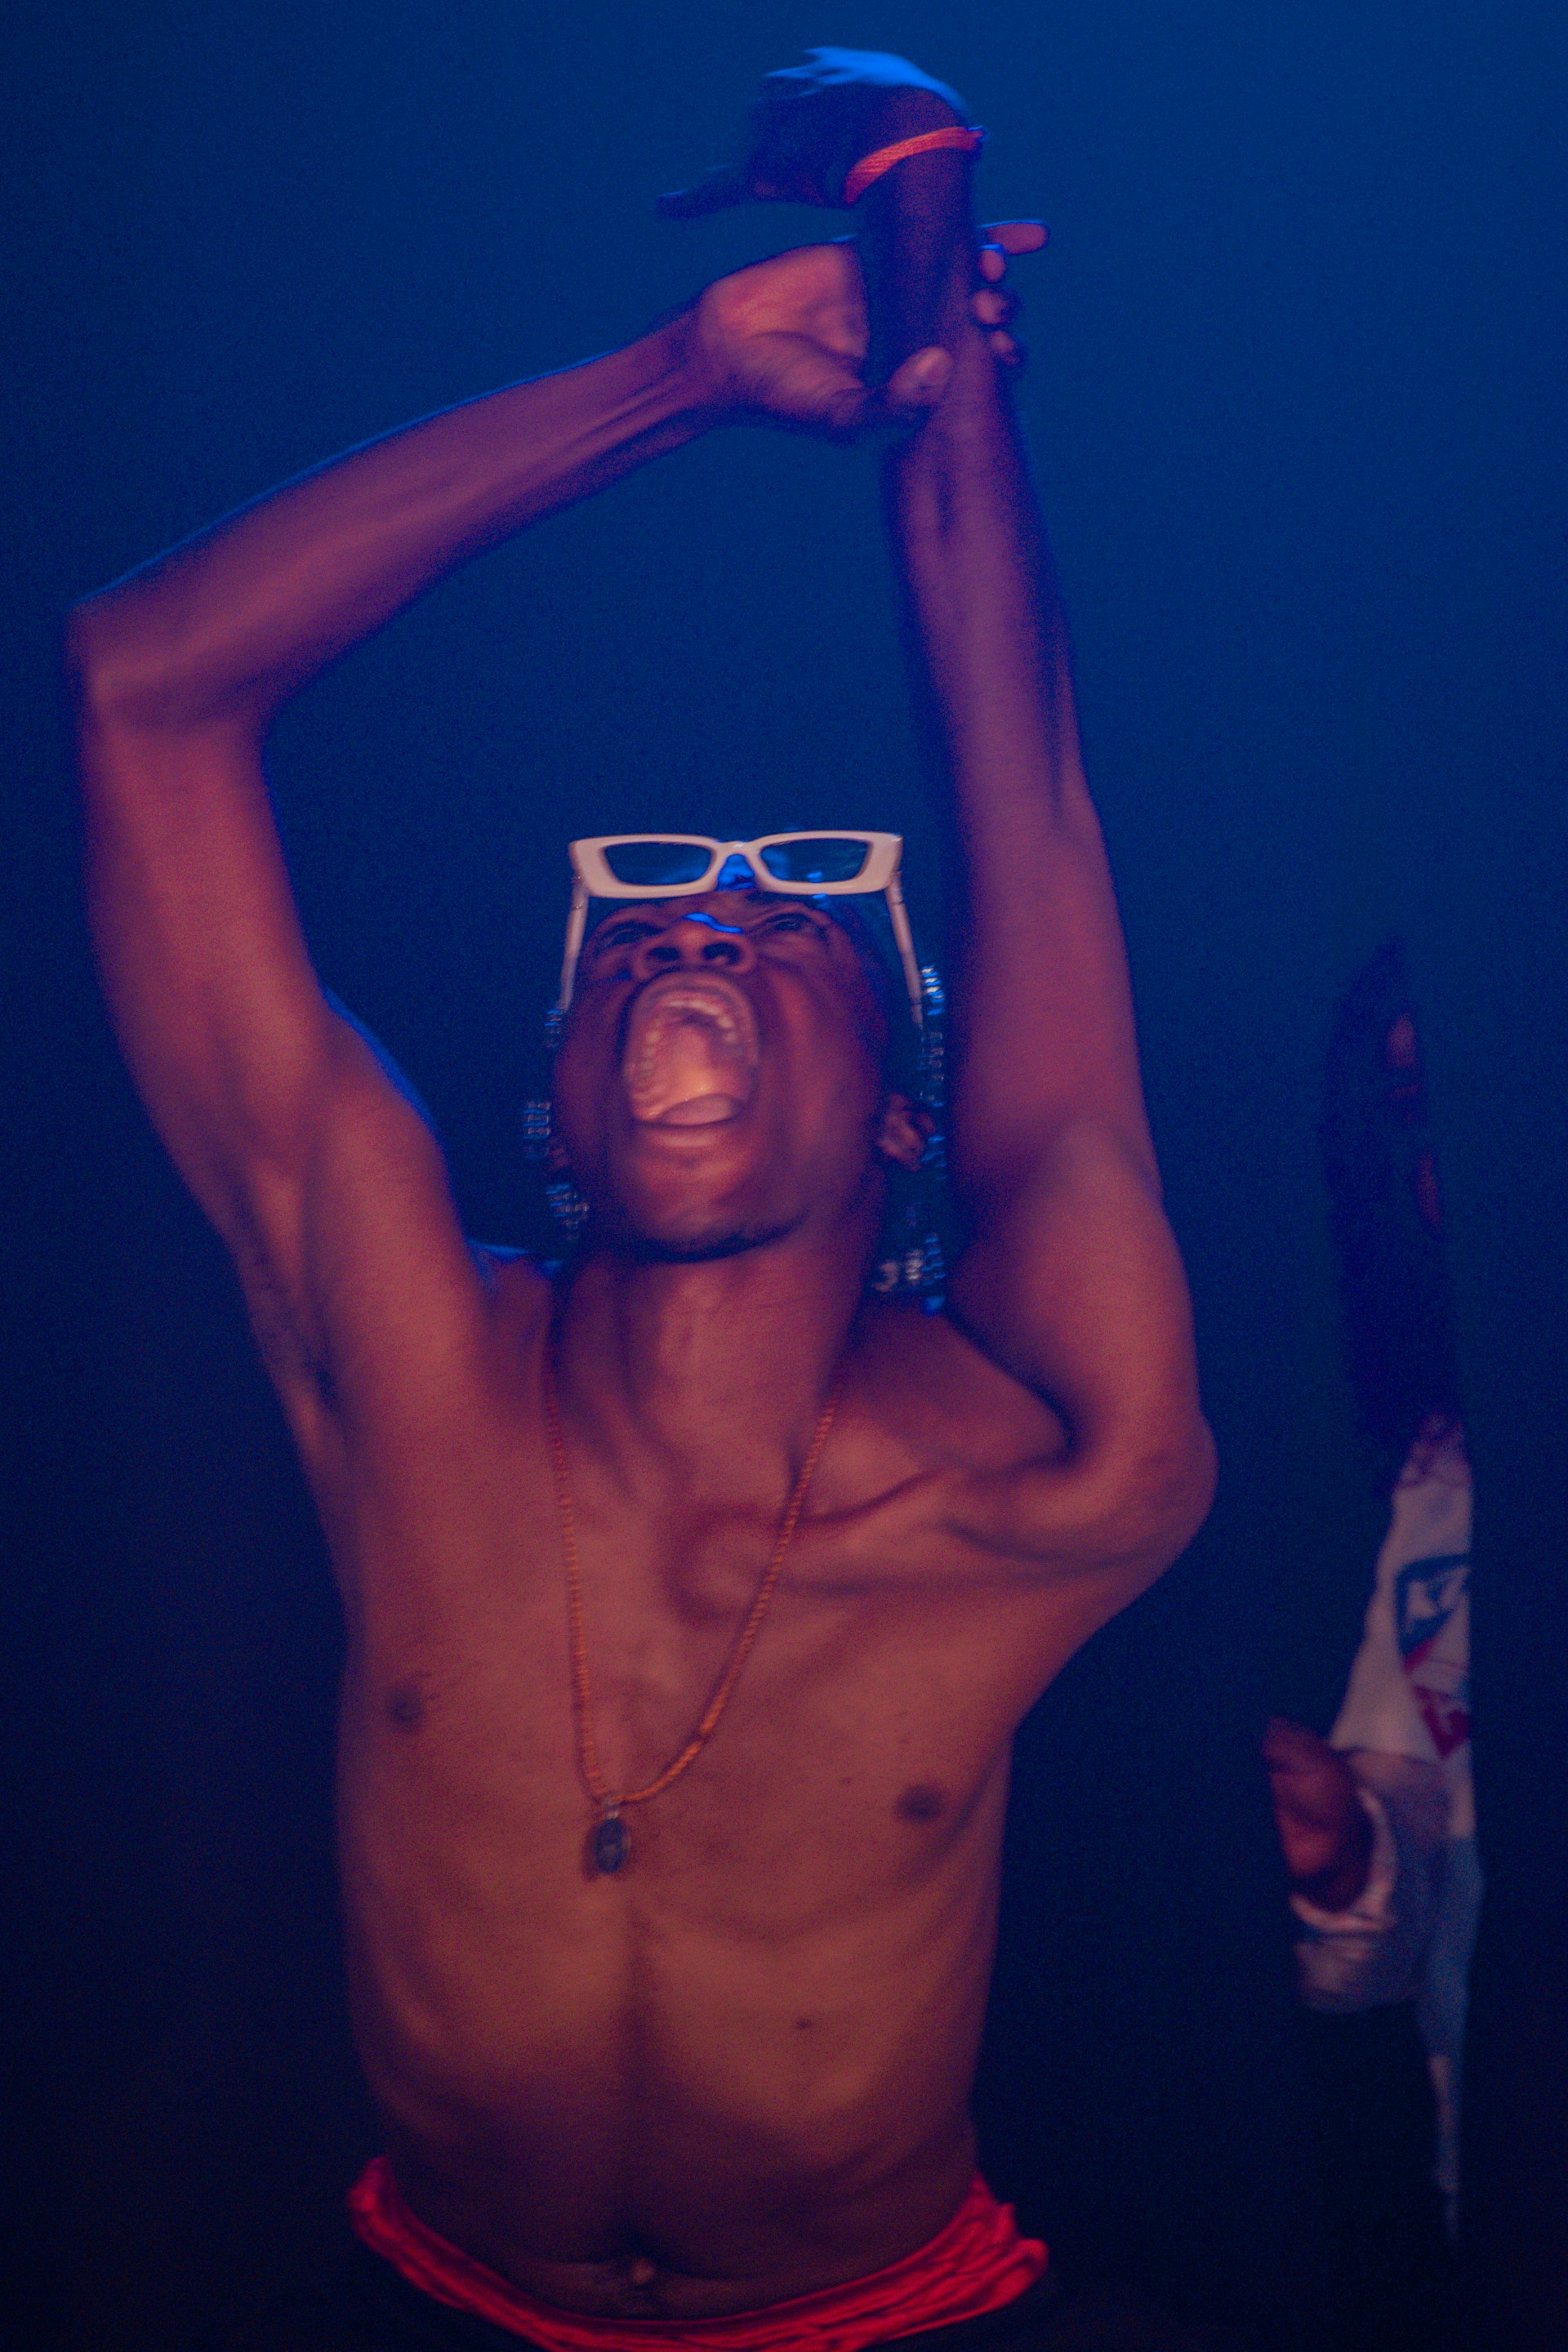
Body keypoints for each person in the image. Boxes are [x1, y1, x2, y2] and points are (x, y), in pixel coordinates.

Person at [70, 49, 1215, 2352]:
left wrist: (930, 293)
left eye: (789, 926)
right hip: (432, 2302)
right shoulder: (410, 1366)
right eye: (642, 931)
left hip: (888, 2320)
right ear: (553, 1117)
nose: (698, 931)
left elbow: (1025, 808)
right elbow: (145, 688)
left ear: (904, 1116)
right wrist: (674, 382)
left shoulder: (1044, 1478)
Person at [1264, 946, 1477, 2351]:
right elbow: (1388, 1944)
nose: (1442, 1156)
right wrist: (1340, 1856)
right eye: (1408, 1107)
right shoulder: (1429, 1475)